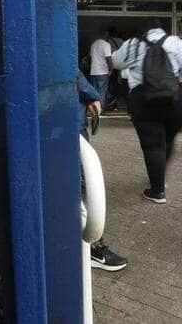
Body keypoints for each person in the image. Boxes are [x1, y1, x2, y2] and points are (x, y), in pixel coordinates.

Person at [112, 19, 182, 204]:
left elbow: (116, 62)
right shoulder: (176, 42)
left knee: (152, 145)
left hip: (143, 99)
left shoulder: (133, 43)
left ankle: (157, 190)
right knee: (168, 140)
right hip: (174, 98)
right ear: (162, 29)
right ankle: (160, 177)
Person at [77, 72, 128, 270]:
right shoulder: (51, 48)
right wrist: (92, 95)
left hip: (56, 124)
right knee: (82, 187)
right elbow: (71, 72)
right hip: (70, 127)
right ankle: (92, 248)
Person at [89, 30, 114, 110]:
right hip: (102, 72)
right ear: (106, 35)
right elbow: (108, 58)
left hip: (93, 71)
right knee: (102, 91)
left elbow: (90, 57)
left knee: (94, 92)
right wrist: (111, 69)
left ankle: (94, 110)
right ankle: (100, 109)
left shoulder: (93, 44)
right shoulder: (106, 45)